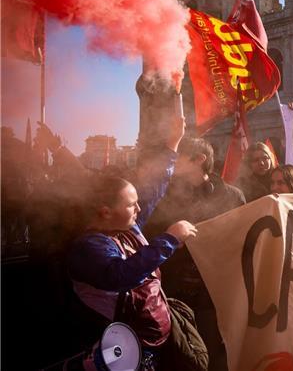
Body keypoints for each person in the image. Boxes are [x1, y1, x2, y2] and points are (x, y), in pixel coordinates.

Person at [68, 115, 198, 369]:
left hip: (154, 343)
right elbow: (120, 275)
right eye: (130, 204)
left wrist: (173, 144)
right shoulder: (89, 247)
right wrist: (169, 239)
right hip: (123, 353)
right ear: (105, 211)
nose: (139, 208)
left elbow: (154, 190)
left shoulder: (127, 227)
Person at [144, 136, 245, 371]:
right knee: (182, 357)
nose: (170, 162)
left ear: (200, 159)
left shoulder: (232, 196)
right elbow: (150, 237)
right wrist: (170, 238)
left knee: (215, 353)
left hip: (214, 295)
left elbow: (242, 243)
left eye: (178, 156)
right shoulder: (165, 197)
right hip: (175, 294)